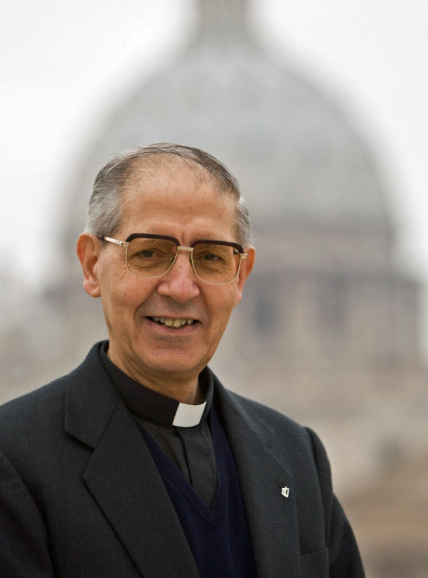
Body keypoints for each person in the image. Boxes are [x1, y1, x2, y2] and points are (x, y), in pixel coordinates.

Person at [0, 143, 365, 577]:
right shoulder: (15, 458)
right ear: (92, 265)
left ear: (241, 276)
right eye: (149, 253)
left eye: (211, 257)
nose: (180, 288)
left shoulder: (298, 456)